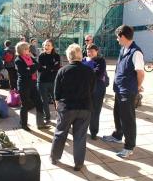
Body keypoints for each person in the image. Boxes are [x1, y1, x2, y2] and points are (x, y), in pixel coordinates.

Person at [50, 43, 95, 171]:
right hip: (85, 108)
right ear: (80, 55)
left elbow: (56, 92)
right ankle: (79, 163)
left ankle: (54, 157)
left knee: (60, 133)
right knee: (80, 137)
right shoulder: (89, 71)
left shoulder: (63, 70)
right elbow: (92, 89)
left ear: (69, 56)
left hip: (67, 108)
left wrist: (57, 105)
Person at [103, 25, 145, 158]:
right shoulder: (123, 49)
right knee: (117, 114)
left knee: (128, 119)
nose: (117, 39)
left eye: (117, 37)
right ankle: (117, 135)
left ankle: (129, 146)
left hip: (128, 91)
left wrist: (137, 87)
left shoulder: (136, 52)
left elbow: (140, 73)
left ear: (122, 36)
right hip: (119, 89)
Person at [14, 41, 49, 131]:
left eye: (28, 49)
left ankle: (40, 124)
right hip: (24, 85)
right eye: (26, 49)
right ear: (21, 50)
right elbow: (26, 72)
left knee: (39, 103)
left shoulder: (30, 58)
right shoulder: (18, 60)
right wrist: (34, 67)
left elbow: (38, 66)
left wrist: (33, 66)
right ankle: (23, 124)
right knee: (25, 105)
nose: (28, 50)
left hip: (32, 84)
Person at [82, 44, 107, 140]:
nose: (90, 53)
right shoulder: (83, 60)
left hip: (98, 88)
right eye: (88, 51)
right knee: (84, 110)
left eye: (92, 51)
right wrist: (92, 71)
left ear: (97, 51)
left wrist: (87, 73)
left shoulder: (101, 61)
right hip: (85, 89)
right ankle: (82, 130)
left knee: (95, 111)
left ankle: (93, 131)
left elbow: (99, 75)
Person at [37, 39, 60, 124]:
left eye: (48, 45)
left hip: (53, 81)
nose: (46, 47)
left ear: (52, 46)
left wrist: (46, 67)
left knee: (56, 100)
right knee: (44, 101)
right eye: (45, 45)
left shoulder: (56, 56)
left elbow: (57, 68)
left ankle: (59, 116)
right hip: (42, 81)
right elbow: (39, 68)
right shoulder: (41, 56)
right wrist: (50, 68)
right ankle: (47, 117)